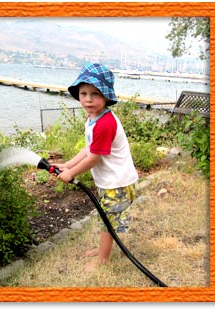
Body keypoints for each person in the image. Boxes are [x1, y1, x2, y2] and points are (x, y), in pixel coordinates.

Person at [54, 63, 139, 272]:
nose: (88, 99)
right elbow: (88, 148)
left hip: (117, 184)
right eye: (83, 93)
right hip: (110, 181)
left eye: (95, 94)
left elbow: (94, 159)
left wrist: (71, 174)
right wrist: (67, 164)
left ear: (106, 96)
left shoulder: (105, 123)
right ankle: (103, 250)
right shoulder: (93, 117)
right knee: (106, 219)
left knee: (107, 224)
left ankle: (102, 259)